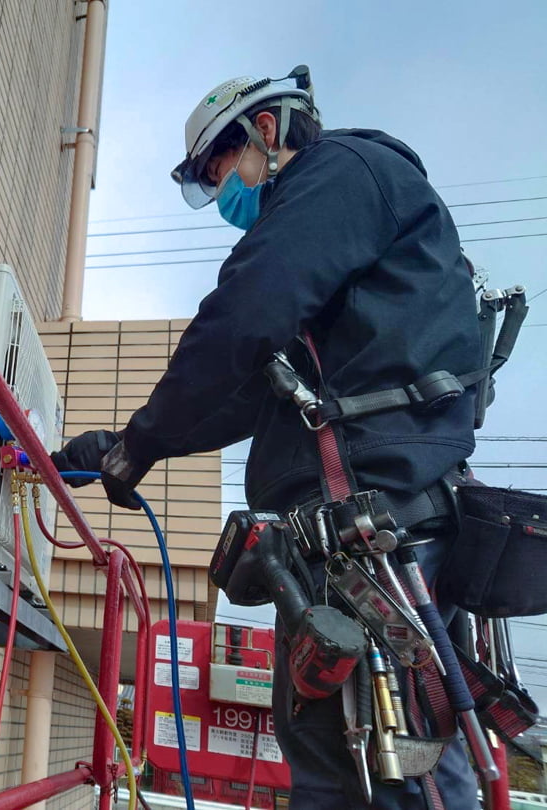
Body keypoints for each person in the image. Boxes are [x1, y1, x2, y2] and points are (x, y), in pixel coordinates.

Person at [51, 66, 483, 808]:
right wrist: (128, 447)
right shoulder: (342, 251)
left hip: (373, 530)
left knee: (393, 768)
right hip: (347, 536)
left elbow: (245, 313)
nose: (224, 193)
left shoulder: (340, 172)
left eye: (222, 168)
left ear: (268, 130)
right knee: (336, 765)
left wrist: (141, 444)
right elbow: (248, 393)